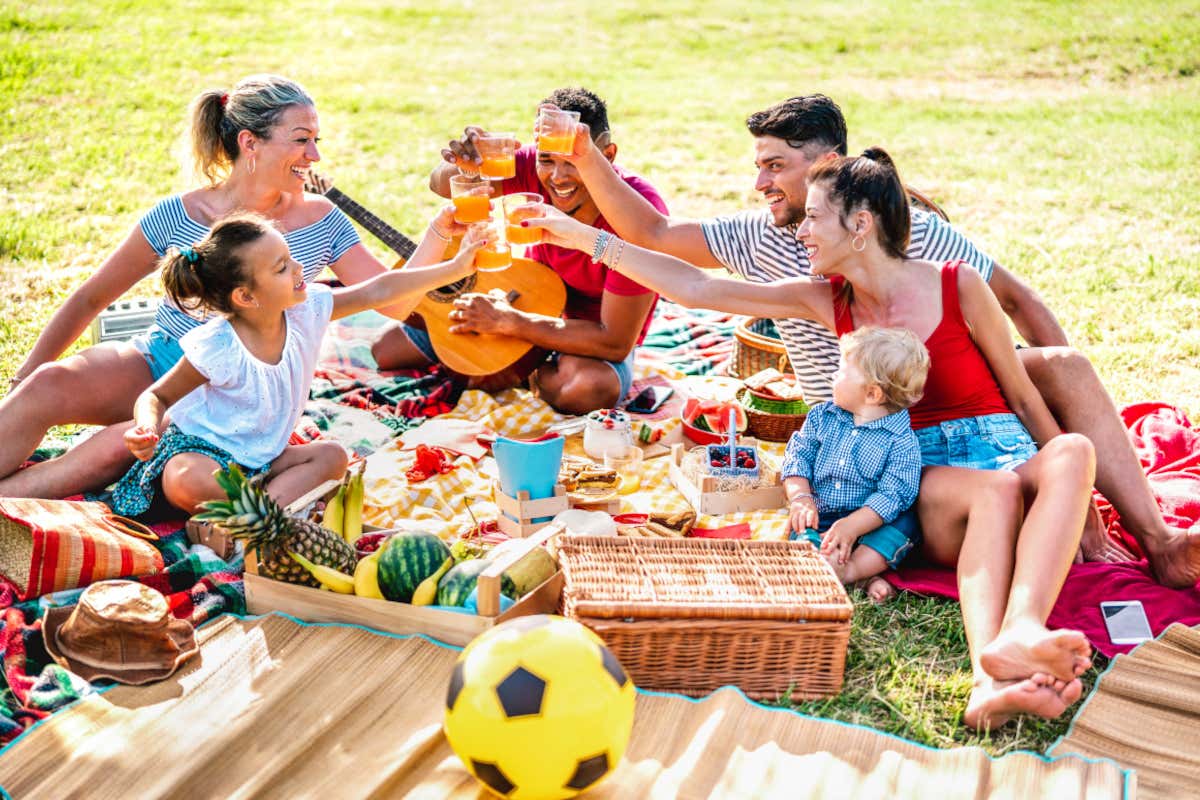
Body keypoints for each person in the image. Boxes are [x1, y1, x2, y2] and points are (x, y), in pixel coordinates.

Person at [525, 148, 1100, 730]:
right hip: (945, 489)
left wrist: (1082, 504)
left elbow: (1024, 396)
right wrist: (585, 239)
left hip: (1009, 452)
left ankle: (1021, 633)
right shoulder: (825, 299)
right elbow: (697, 288)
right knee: (997, 490)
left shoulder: (959, 283)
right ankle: (990, 674)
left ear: (860, 224)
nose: (801, 231)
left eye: (814, 217)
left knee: (1073, 451)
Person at [556, 93, 1200, 580]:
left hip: (959, 395)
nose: (760, 184)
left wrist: (1066, 444)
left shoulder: (916, 239)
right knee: (1009, 466)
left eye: (775, 166)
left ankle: (1157, 538)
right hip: (872, 419)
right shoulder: (781, 253)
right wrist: (584, 206)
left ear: (831, 172)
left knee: (1064, 367)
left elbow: (1018, 301)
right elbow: (675, 261)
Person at [0, 75, 409, 500]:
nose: (315, 155)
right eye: (302, 140)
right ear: (250, 142)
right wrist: (23, 379)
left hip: (236, 402)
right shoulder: (180, 213)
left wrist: (446, 236)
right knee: (47, 383)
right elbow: (91, 297)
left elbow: (395, 302)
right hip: (162, 362)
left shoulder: (322, 219)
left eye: (315, 140)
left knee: (116, 447)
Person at [110, 210, 486, 515]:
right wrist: (145, 427)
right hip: (204, 455)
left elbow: (379, 289)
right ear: (245, 296)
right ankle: (270, 515)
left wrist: (454, 269)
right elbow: (156, 397)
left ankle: (251, 522)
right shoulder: (219, 346)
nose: (298, 268)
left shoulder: (308, 310)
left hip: (263, 462)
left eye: (291, 258)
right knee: (185, 478)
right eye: (281, 268)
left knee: (333, 457)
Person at [370, 87, 666, 414]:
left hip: (586, 338)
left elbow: (615, 341)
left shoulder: (638, 214)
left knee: (588, 389)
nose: (557, 176)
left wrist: (509, 323)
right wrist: (466, 166)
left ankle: (517, 372)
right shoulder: (529, 164)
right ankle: (503, 364)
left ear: (607, 156)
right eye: (547, 160)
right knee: (386, 349)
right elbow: (440, 185)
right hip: (525, 295)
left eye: (573, 162)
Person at [782, 327, 929, 603]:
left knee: (906, 524)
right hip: (821, 512)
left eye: (841, 371)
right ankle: (829, 561)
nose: (833, 376)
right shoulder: (821, 417)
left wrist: (853, 526)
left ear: (872, 394)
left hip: (871, 521)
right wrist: (801, 497)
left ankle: (851, 570)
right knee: (801, 526)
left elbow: (892, 495)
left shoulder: (902, 441)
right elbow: (797, 456)